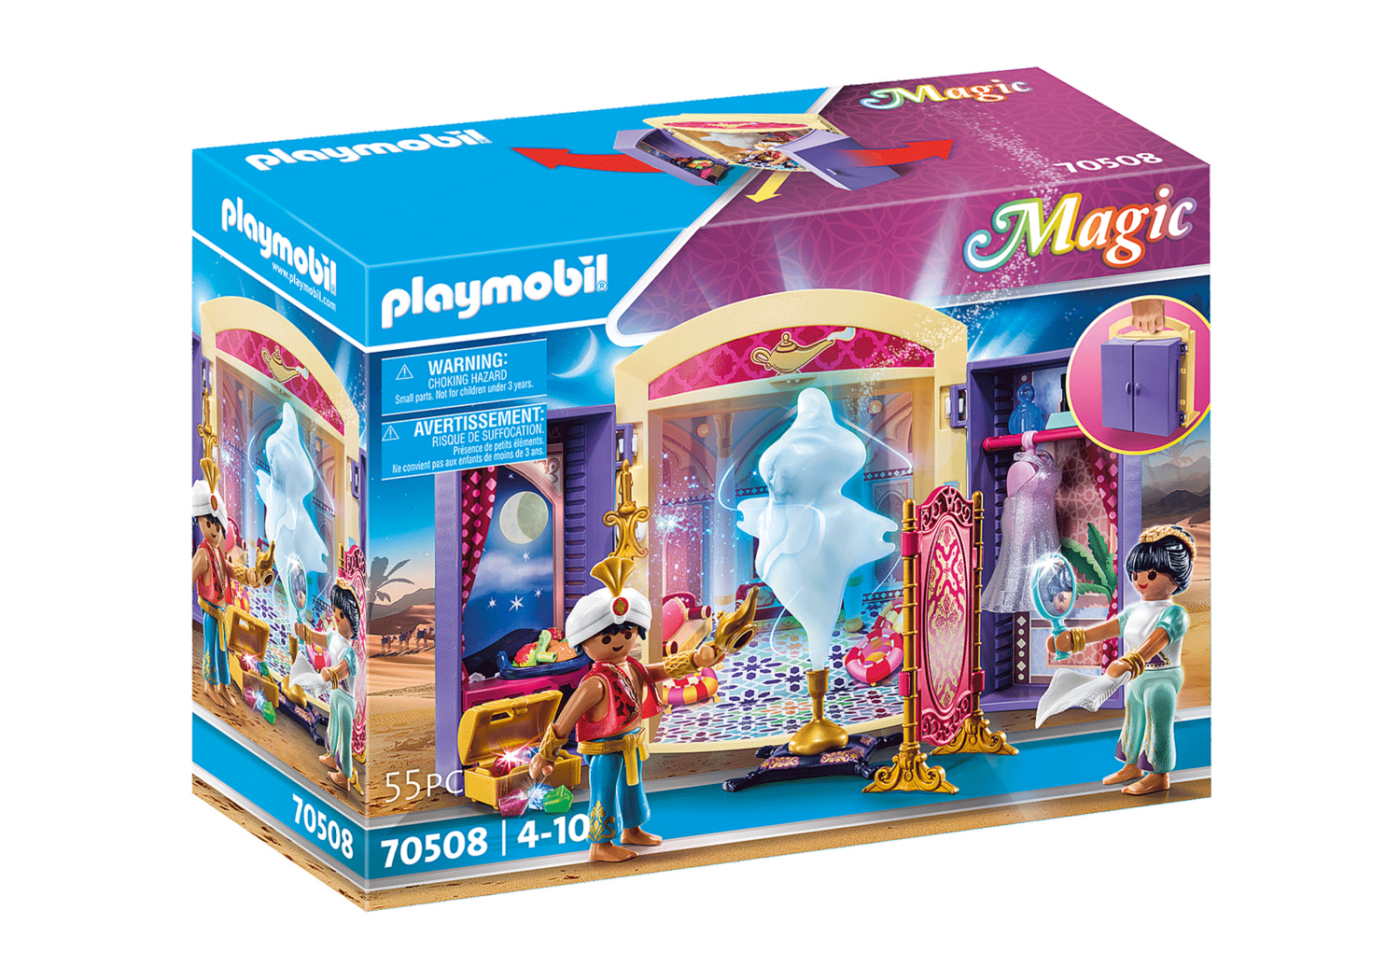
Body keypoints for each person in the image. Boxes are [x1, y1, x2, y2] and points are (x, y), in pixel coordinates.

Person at [530, 584, 720, 862]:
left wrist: (694, 660)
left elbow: (658, 671)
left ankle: (632, 829)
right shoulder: (595, 683)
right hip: (605, 750)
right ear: (585, 642)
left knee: (633, 787)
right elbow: (566, 717)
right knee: (604, 793)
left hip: (632, 743)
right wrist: (547, 753)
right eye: (607, 637)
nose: (619, 641)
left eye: (627, 633)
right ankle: (600, 845)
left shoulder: (630, 666)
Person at [1048, 525, 1194, 795]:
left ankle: (1159, 775)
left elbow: (1156, 641)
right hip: (1135, 676)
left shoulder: (1175, 615)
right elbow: (1106, 630)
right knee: (1134, 719)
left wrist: (1131, 661)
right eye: (1136, 574)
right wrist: (1074, 639)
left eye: (1151, 574)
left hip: (1161, 677)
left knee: (1158, 723)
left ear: (1176, 577)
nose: (1141, 580)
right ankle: (1131, 766)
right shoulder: (1134, 611)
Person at [191, 480, 274, 708]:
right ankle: (209, 685)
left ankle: (223, 686)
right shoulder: (203, 554)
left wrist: (251, 576)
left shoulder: (217, 553)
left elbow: (231, 571)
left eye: (218, 527)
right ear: (201, 522)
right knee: (210, 647)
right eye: (210, 524)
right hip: (210, 612)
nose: (214, 531)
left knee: (223, 651)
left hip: (222, 612)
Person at [295, 582, 361, 791]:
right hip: (336, 694)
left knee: (344, 736)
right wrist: (305, 633)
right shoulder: (333, 636)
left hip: (346, 699)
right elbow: (317, 638)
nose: (336, 616)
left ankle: (345, 775)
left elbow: (341, 671)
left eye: (340, 614)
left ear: (351, 622)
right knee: (333, 728)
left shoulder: (350, 653)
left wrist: (329, 672)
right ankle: (332, 757)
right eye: (334, 610)